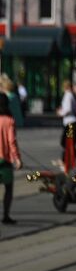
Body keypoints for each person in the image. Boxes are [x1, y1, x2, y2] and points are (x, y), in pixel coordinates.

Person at [0, 94, 22, 226]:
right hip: (5, 161)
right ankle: (6, 215)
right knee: (8, 188)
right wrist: (17, 159)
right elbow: (11, 142)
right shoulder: (9, 121)